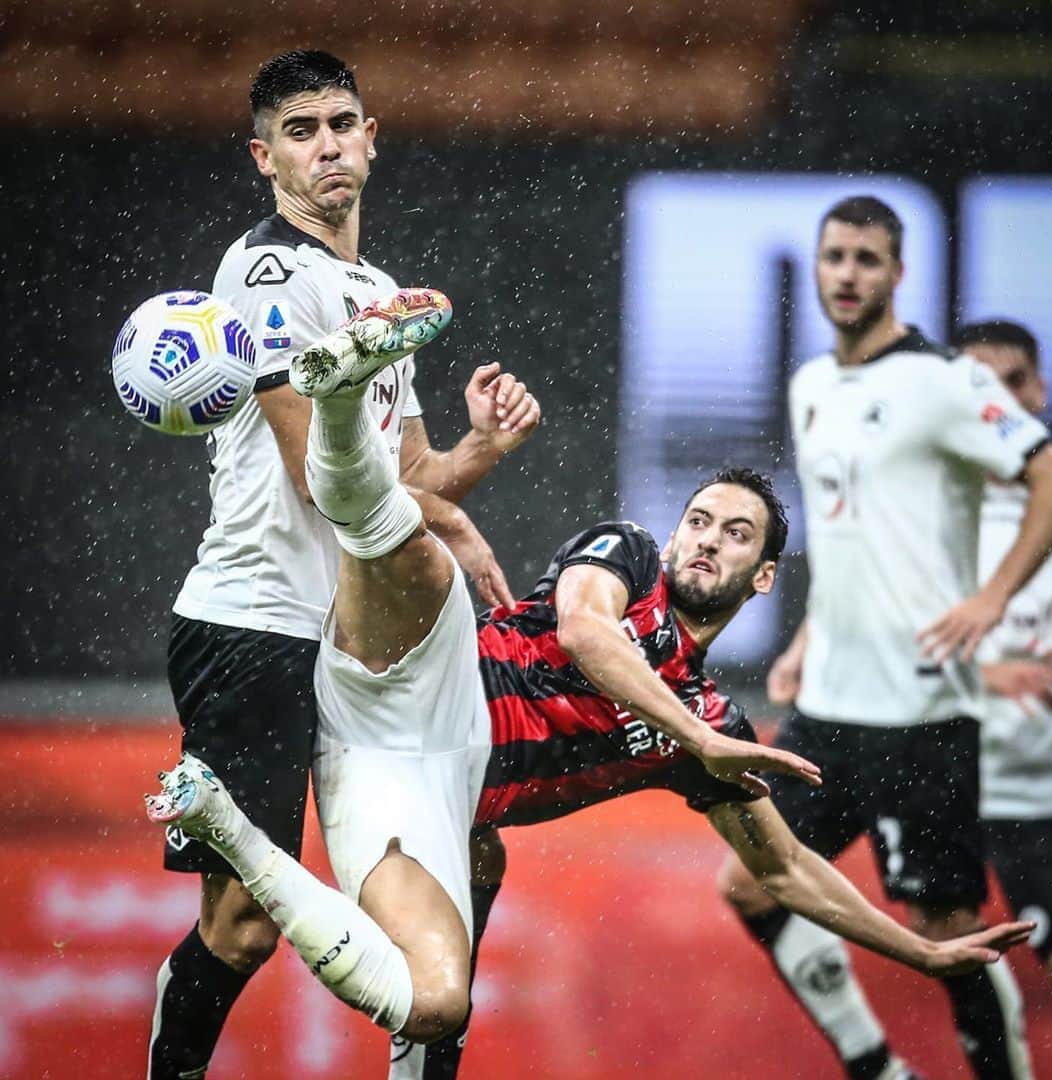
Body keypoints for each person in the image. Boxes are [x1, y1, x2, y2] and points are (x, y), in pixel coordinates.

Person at [147, 381, 859, 1045]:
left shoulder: (714, 722)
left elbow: (789, 866)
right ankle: (337, 402)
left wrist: (929, 956)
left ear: (767, 574)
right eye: (699, 520)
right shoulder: (630, 557)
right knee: (422, 561)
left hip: (422, 786)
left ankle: (234, 837)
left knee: (435, 1001)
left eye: (735, 533)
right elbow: (583, 632)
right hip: (362, 660)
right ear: (673, 534)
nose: (707, 539)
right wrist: (699, 739)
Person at [147, 49, 540, 1080]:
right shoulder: (263, 272)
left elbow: (411, 474)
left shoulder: (377, 291)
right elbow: (324, 483)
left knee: (461, 880)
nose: (326, 145)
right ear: (262, 157)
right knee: (240, 931)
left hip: (352, 645)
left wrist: (477, 458)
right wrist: (441, 521)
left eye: (341, 123)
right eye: (301, 130)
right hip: (258, 624)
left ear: (372, 138)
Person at [715, 197, 1052, 1080]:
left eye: (867, 260)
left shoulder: (946, 382)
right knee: (748, 884)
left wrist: (993, 598)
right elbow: (855, 540)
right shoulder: (810, 386)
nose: (848, 274)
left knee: (948, 936)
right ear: (818, 266)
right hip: (832, 713)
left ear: (897, 273)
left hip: (926, 717)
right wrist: (805, 638)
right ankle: (875, 1065)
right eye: (834, 257)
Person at [954, 319, 1052, 1075]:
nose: (1001, 397)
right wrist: (982, 675)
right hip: (1013, 803)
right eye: (980, 382)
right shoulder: (929, 517)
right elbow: (877, 652)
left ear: (1039, 389)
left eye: (1016, 379)